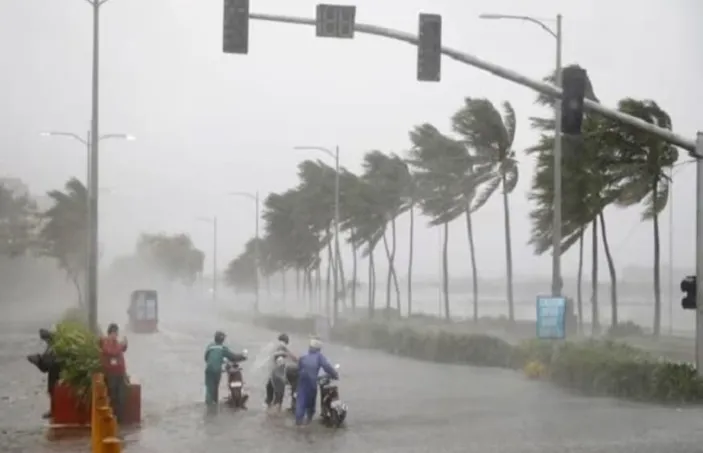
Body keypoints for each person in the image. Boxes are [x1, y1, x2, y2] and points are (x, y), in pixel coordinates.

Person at [294, 336, 338, 427]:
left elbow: (299, 368)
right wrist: (335, 375)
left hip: (302, 381)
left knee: (300, 401)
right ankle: (308, 423)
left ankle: (298, 423)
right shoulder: (319, 357)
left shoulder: (303, 355)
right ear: (319, 348)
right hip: (311, 382)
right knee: (310, 404)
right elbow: (327, 367)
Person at [204, 330, 247, 405]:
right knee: (215, 387)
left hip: (208, 369)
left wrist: (218, 361)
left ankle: (209, 404)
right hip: (217, 370)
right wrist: (243, 356)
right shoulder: (222, 348)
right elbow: (233, 357)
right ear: (223, 340)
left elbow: (206, 358)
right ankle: (214, 403)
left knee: (209, 388)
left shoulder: (210, 346)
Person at [27, 328, 61, 419]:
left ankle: (55, 410)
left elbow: (46, 366)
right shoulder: (51, 345)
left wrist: (38, 361)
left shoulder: (55, 345)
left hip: (56, 370)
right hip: (54, 370)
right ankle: (54, 410)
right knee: (52, 390)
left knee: (53, 390)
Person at [100, 323, 128, 425]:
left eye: (116, 333)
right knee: (113, 396)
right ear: (109, 333)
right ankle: (112, 419)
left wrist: (125, 343)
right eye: (113, 333)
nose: (114, 335)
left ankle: (119, 419)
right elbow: (112, 352)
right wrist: (122, 345)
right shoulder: (105, 342)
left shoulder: (117, 343)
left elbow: (123, 348)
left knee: (121, 397)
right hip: (111, 374)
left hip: (120, 374)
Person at [265, 333, 297, 412]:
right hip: (278, 377)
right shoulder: (282, 348)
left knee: (269, 400)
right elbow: (292, 358)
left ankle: (267, 412)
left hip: (271, 377)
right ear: (286, 341)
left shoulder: (274, 347)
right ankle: (276, 417)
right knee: (278, 400)